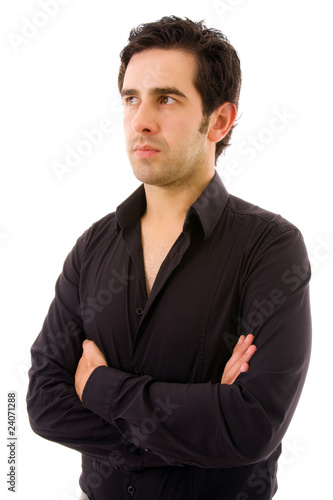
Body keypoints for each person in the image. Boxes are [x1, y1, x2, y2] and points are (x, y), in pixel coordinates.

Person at [26, 16, 311, 500]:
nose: (141, 120)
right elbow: (43, 404)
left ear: (219, 121)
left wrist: (99, 388)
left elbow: (251, 426)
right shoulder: (92, 247)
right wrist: (199, 430)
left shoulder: (271, 248)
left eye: (167, 98)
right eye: (131, 98)